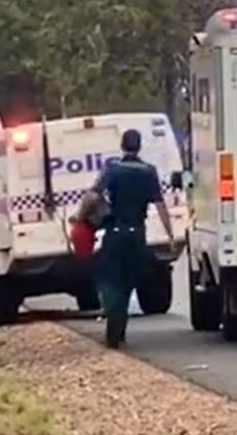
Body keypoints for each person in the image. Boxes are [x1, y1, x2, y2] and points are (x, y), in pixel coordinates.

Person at [91, 129, 174, 349]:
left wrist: (82, 218)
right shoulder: (148, 171)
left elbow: (94, 194)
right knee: (128, 282)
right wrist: (170, 234)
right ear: (139, 146)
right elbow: (160, 205)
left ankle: (113, 319)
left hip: (115, 232)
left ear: (122, 145)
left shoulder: (113, 169)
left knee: (110, 279)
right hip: (137, 234)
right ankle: (120, 328)